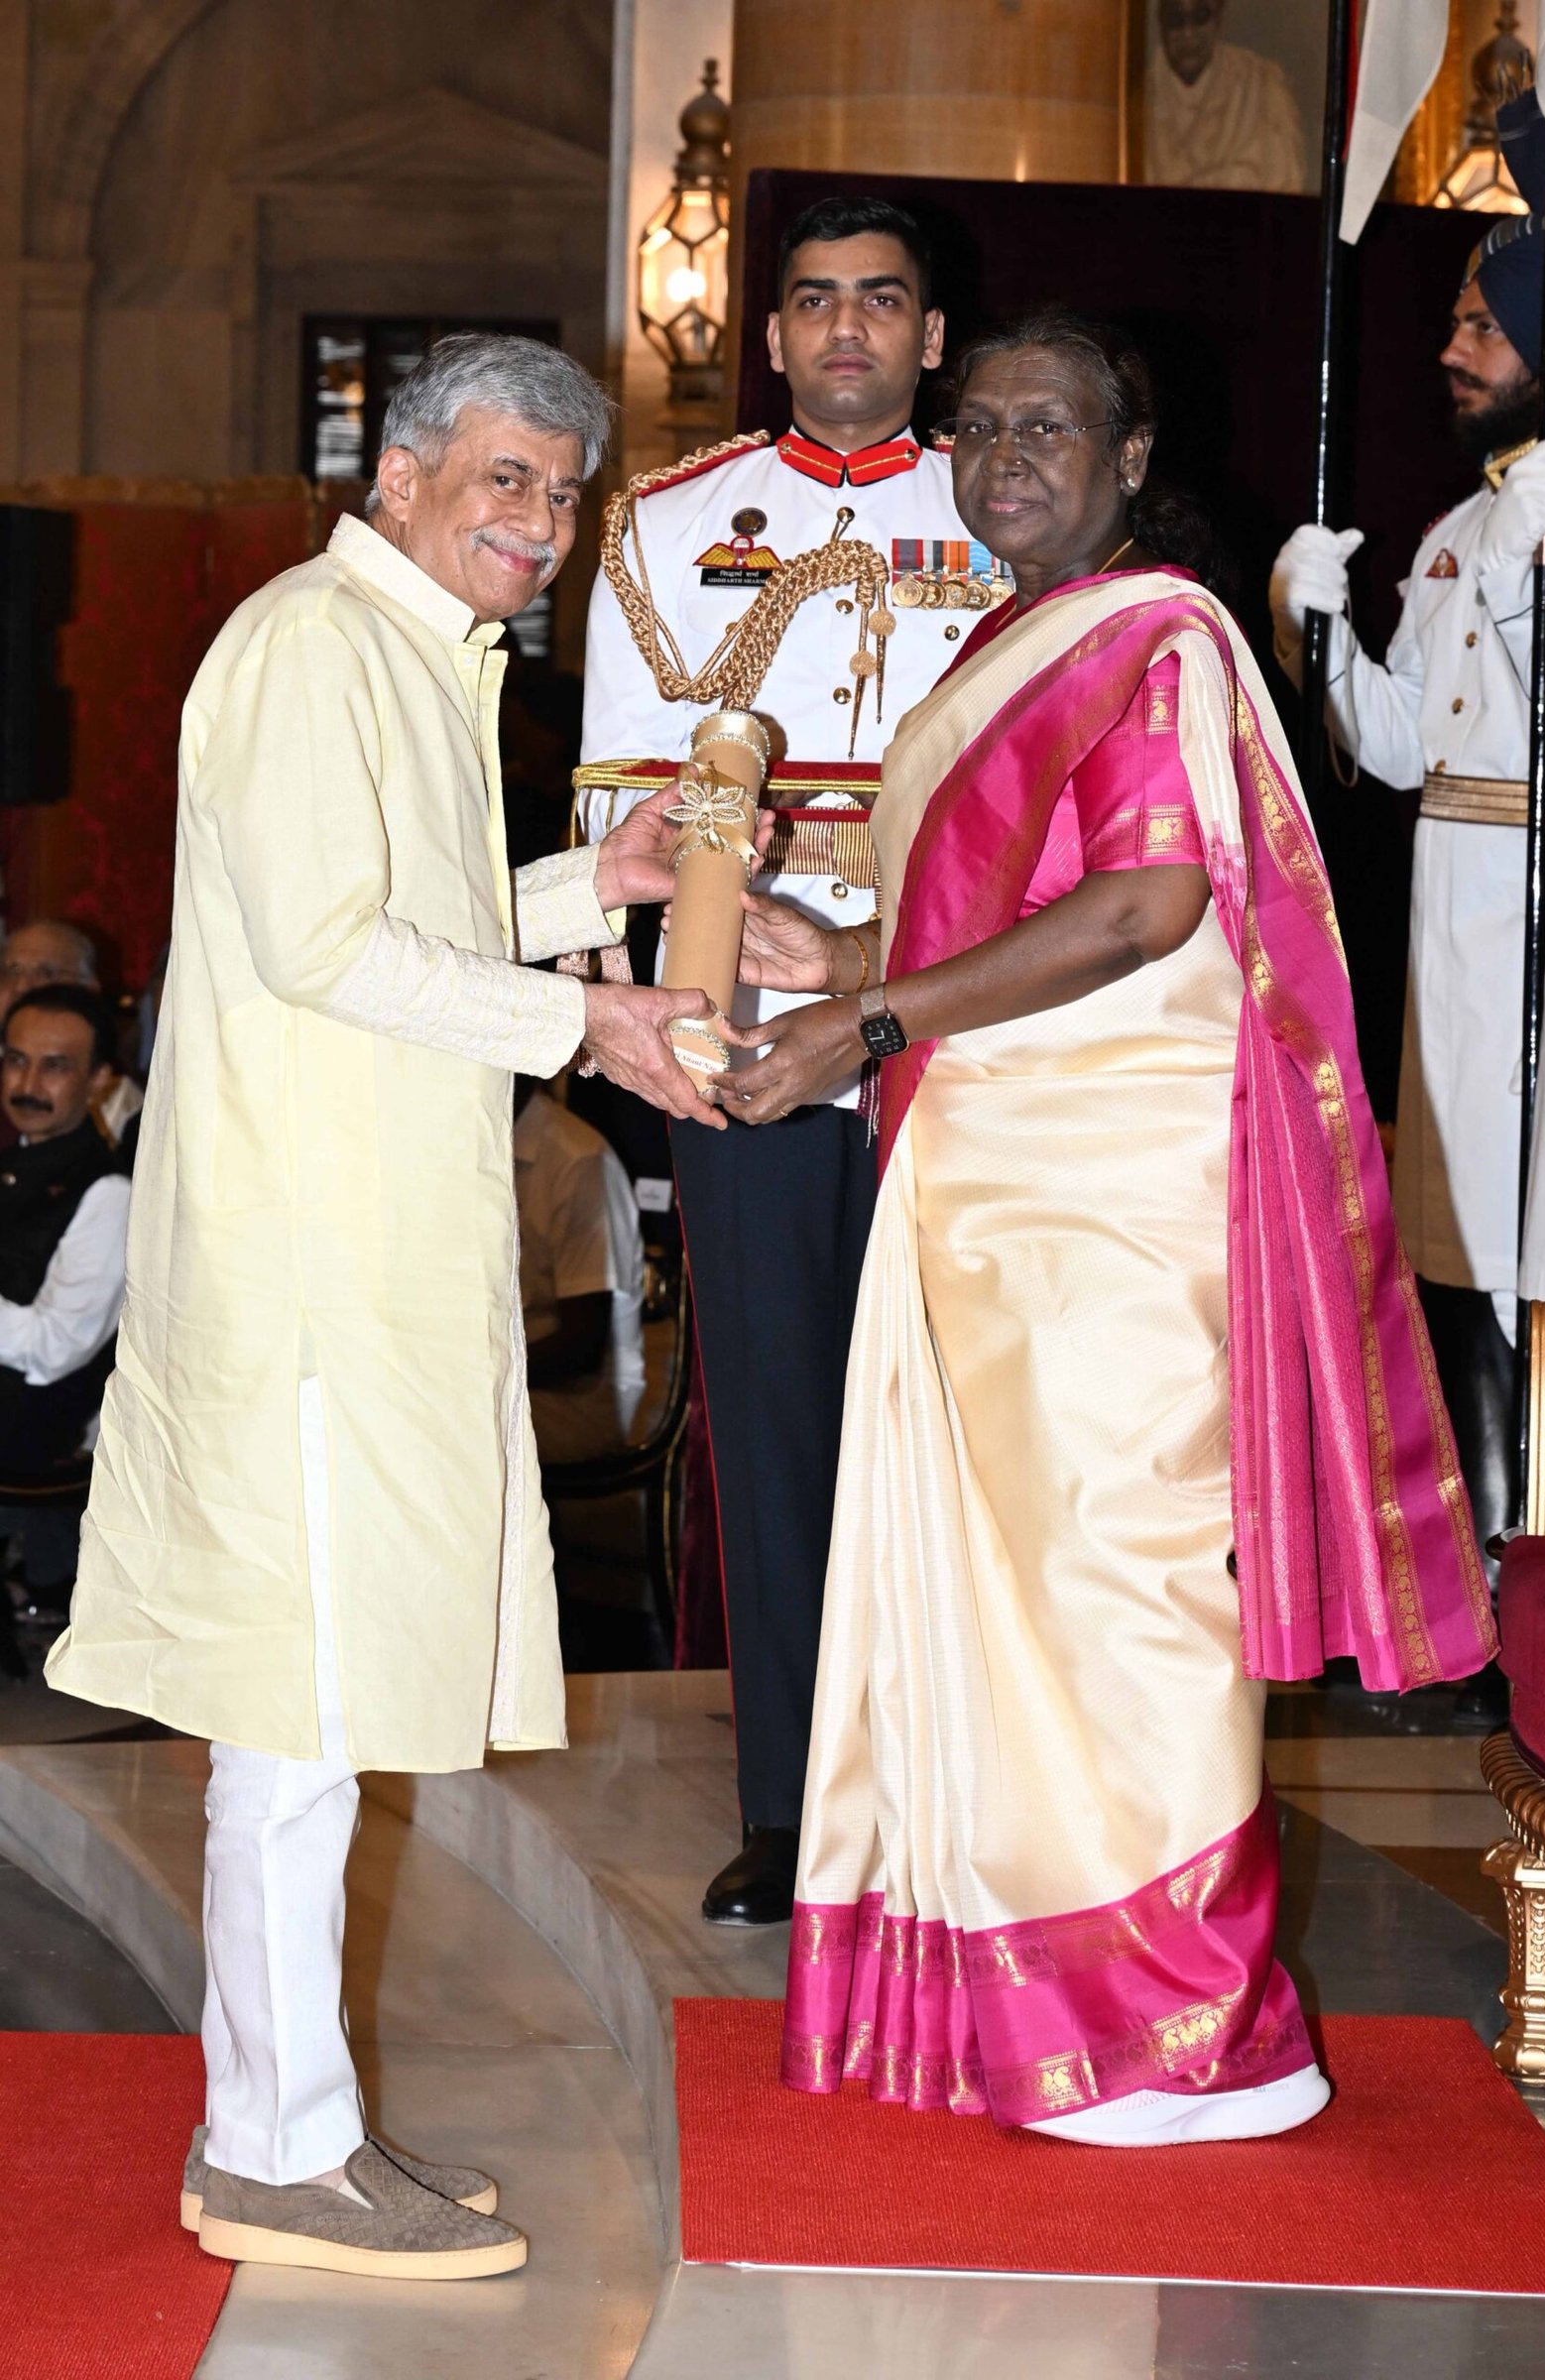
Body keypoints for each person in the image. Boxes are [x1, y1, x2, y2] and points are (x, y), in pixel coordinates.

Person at [723, 308, 1491, 2147]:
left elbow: (1149, 911)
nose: (1004, 458)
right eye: (975, 428)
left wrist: (872, 1019)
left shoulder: (1157, 638)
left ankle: (1196, 2025)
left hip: (1113, 1197)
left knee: (1122, 1594)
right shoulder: (1006, 641)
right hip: (993, 1182)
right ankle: (1049, 2003)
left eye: (1048, 426)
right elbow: (1012, 918)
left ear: (1136, 454)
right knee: (1008, 1613)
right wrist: (843, 962)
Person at [47, 332, 736, 2282]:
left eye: (562, 497)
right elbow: (325, 946)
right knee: (297, 1713)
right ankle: (269, 2151)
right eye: (506, 482)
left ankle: (303, 2129)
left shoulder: (413, 661)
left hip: (362, 1261)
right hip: (301, 1270)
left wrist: (567, 887)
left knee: (326, 1716)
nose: (539, 527)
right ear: (408, 478)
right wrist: (585, 1015)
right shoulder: (308, 648)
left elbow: (394, 912)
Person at [580, 194, 990, 1926]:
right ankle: (794, 1808)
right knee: (771, 1409)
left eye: (881, 303)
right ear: (768, 337)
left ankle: (974, 1789)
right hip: (748, 1001)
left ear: (933, 336)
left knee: (972, 1409)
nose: (845, 331)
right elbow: (620, 798)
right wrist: (654, 1011)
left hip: (954, 1003)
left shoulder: (1008, 503)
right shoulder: (670, 522)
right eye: (814, 302)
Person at [1269, 89, 1545, 1703]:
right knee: (1457, 1253)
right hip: (1451, 923)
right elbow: (1399, 750)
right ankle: (1461, 1596)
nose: (1454, 346)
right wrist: (1317, 630)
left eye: (1485, 322)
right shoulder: (1472, 517)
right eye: (1457, 317)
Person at [0, 988, 130, 1608]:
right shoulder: (14, 1163)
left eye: (55, 1066)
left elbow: (53, 1352)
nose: (27, 1082)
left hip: (32, 1414)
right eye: (16, 1059)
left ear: (100, 1080)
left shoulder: (107, 1193)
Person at [514, 1079, 647, 1464]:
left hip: (583, 1399)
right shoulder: (477, 1144)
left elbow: (581, 1347)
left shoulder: (578, 1159)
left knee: (439, 1440)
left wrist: (474, 1375)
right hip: (518, 1379)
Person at [0, 917, 143, 1150]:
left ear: (89, 988)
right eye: (12, 970)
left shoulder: (117, 1103)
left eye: (46, 972)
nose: (22, 986)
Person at [1146, 0, 1305, 195]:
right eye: (1175, 19)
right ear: (1161, 23)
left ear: (1218, 18)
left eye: (1201, 16)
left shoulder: (1263, 87)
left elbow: (1287, 191)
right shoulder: (1139, 99)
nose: (1188, 33)